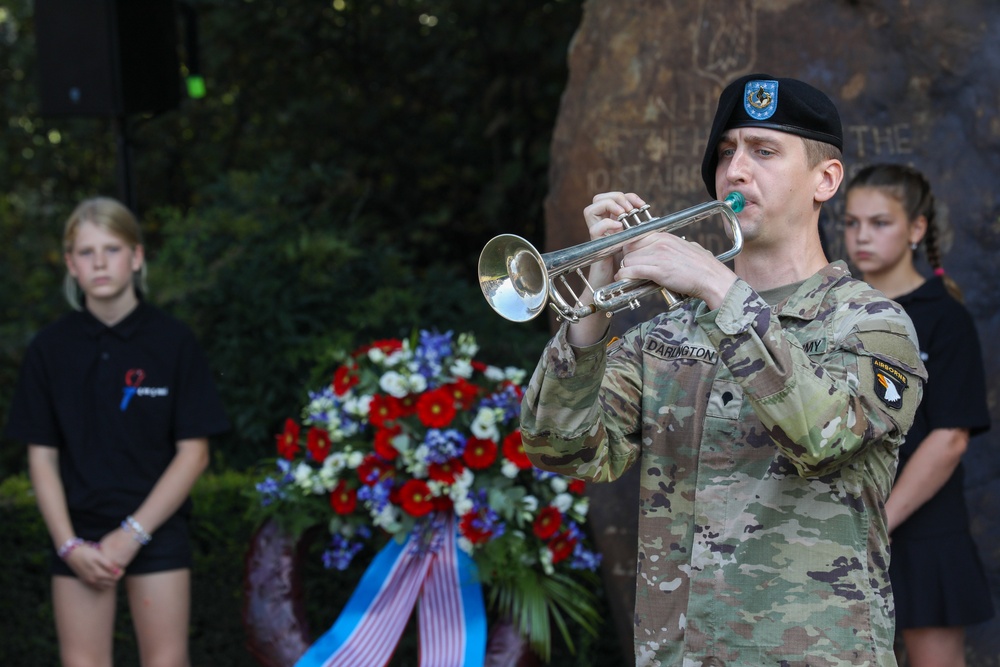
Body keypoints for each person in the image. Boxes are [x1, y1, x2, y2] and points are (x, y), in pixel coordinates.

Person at [519, 74, 927, 666]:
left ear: (826, 179)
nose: (736, 170)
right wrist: (591, 299)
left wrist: (720, 286)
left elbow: (820, 439)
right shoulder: (667, 334)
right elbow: (561, 449)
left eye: (764, 152)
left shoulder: (871, 324)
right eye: (726, 152)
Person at [4, 197, 230, 667]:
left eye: (112, 248)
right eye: (86, 253)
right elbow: (41, 458)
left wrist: (133, 534)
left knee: (166, 662)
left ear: (137, 256)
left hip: (156, 530)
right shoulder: (50, 349)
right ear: (70, 264)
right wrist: (68, 544)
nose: (100, 262)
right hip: (78, 536)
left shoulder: (173, 342)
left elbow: (194, 454)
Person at [844, 164, 993, 667]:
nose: (862, 236)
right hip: (838, 524)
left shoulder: (942, 317)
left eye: (880, 222)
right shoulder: (834, 311)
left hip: (920, 527)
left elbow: (951, 438)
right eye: (851, 222)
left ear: (916, 229)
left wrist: (879, 524)